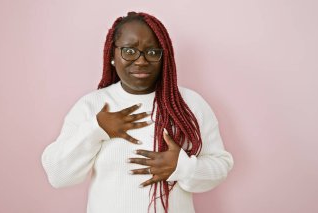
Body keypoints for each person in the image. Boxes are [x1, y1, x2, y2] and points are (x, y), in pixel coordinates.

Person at [41, 11, 234, 213]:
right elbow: (58, 176)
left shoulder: (190, 104)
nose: (141, 61)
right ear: (112, 55)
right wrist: (97, 129)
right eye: (129, 51)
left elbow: (220, 165)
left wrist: (182, 167)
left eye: (152, 52)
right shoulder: (92, 105)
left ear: (163, 57)